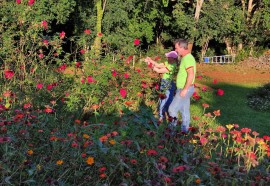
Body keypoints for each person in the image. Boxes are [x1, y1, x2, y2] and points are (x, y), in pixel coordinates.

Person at [168, 39, 196, 133]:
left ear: (182, 47)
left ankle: (171, 132)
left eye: (176, 48)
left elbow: (191, 74)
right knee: (184, 110)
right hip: (185, 88)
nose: (175, 50)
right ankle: (185, 131)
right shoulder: (186, 58)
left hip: (185, 89)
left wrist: (185, 89)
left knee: (172, 110)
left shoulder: (187, 58)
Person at [145, 51, 178, 123]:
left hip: (168, 82)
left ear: (172, 58)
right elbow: (158, 65)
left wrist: (150, 64)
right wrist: (150, 60)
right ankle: (163, 114)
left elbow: (158, 70)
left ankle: (164, 115)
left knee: (166, 99)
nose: (167, 58)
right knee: (166, 98)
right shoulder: (168, 62)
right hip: (166, 82)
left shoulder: (173, 66)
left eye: (169, 57)